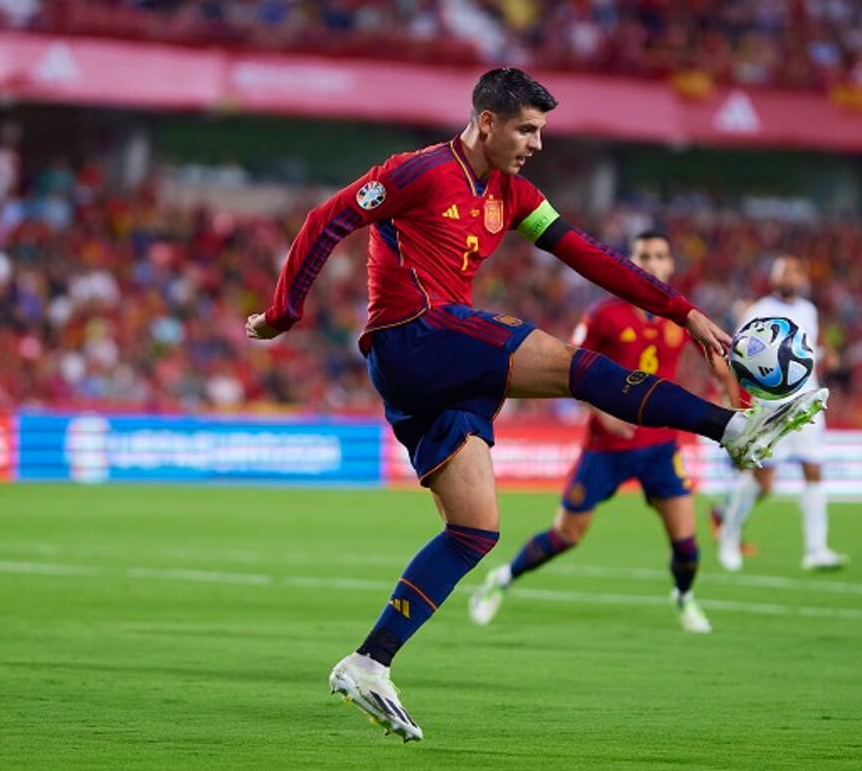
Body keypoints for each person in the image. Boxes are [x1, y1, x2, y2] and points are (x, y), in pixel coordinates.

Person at [244, 68, 827, 742]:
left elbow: (589, 255)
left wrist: (682, 310)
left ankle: (369, 662)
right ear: (487, 122)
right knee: (576, 367)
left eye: (541, 131)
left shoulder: (514, 195)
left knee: (475, 529)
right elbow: (328, 218)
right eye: (526, 129)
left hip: (439, 371)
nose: (537, 144)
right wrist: (285, 311)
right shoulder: (419, 171)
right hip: (417, 335)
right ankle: (733, 428)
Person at [468, 231, 741, 635]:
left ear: (670, 265)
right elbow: (568, 368)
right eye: (644, 255)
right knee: (566, 534)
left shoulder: (683, 316)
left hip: (661, 447)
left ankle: (684, 598)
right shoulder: (603, 315)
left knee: (686, 543)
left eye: (660, 255)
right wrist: (603, 413)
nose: (653, 263)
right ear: (631, 263)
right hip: (606, 447)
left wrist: (735, 405)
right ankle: (502, 578)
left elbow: (717, 366)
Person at [714, 256, 846, 572]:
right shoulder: (759, 311)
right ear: (774, 277)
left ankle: (816, 550)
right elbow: (737, 357)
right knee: (763, 480)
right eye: (786, 271)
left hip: (807, 402)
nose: (793, 277)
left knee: (814, 470)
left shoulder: (809, 311)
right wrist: (734, 401)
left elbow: (804, 351)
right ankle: (729, 535)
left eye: (798, 272)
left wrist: (825, 355)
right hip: (772, 406)